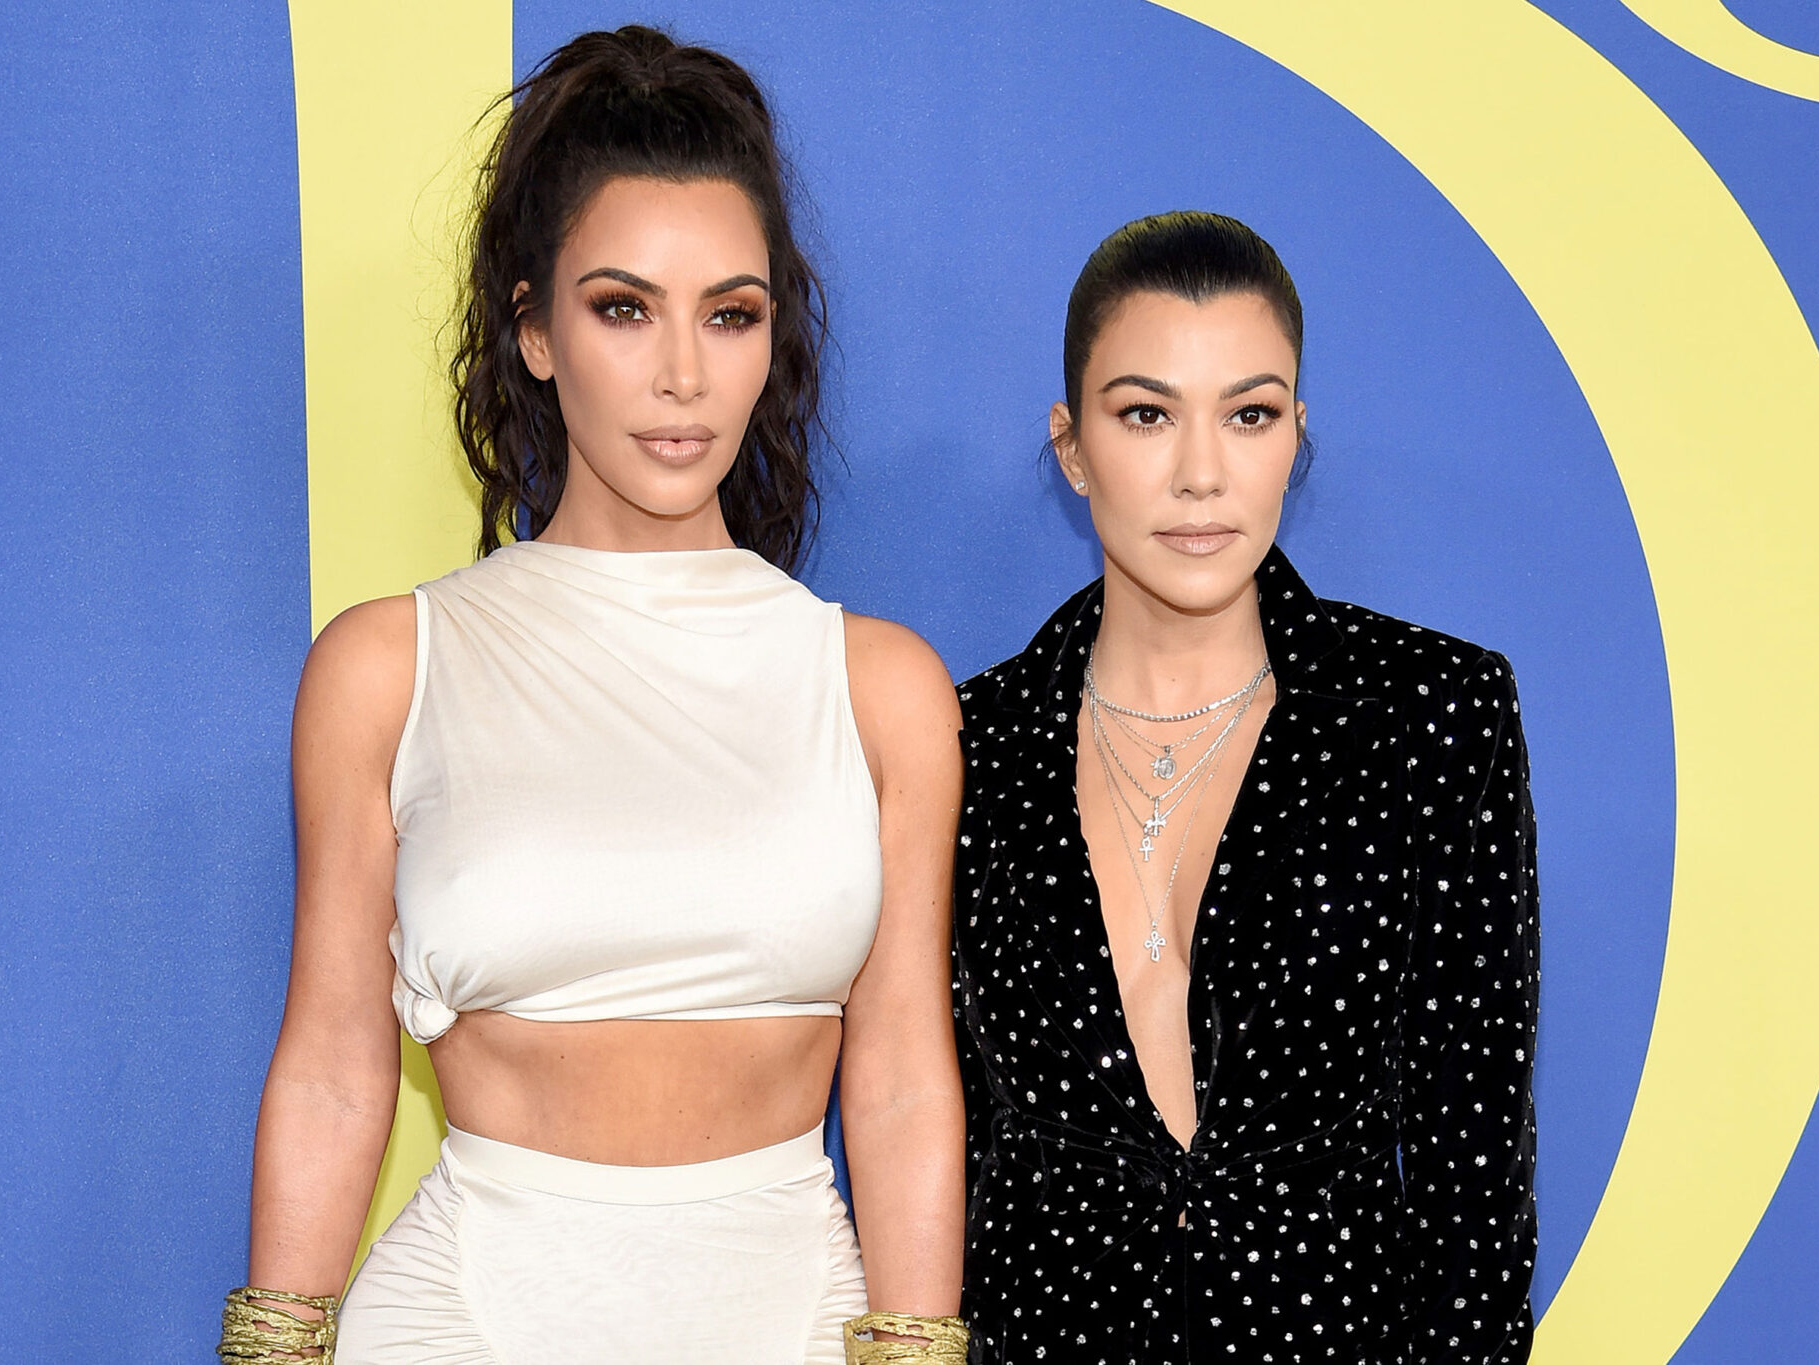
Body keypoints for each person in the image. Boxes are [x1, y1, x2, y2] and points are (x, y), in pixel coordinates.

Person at [223, 28, 967, 1365]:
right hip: (459, 1324)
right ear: (534, 329)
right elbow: (334, 1069)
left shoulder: (879, 689)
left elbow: (905, 1076)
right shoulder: (389, 667)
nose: (684, 374)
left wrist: (916, 1349)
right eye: (625, 308)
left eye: (730, 314)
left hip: (792, 1318)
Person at [951, 212, 1538, 1363]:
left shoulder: (1428, 716)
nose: (1201, 473)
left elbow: (1473, 1175)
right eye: (1145, 414)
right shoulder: (971, 744)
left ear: (1293, 436)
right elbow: (941, 1136)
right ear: (1071, 447)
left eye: (1248, 414)